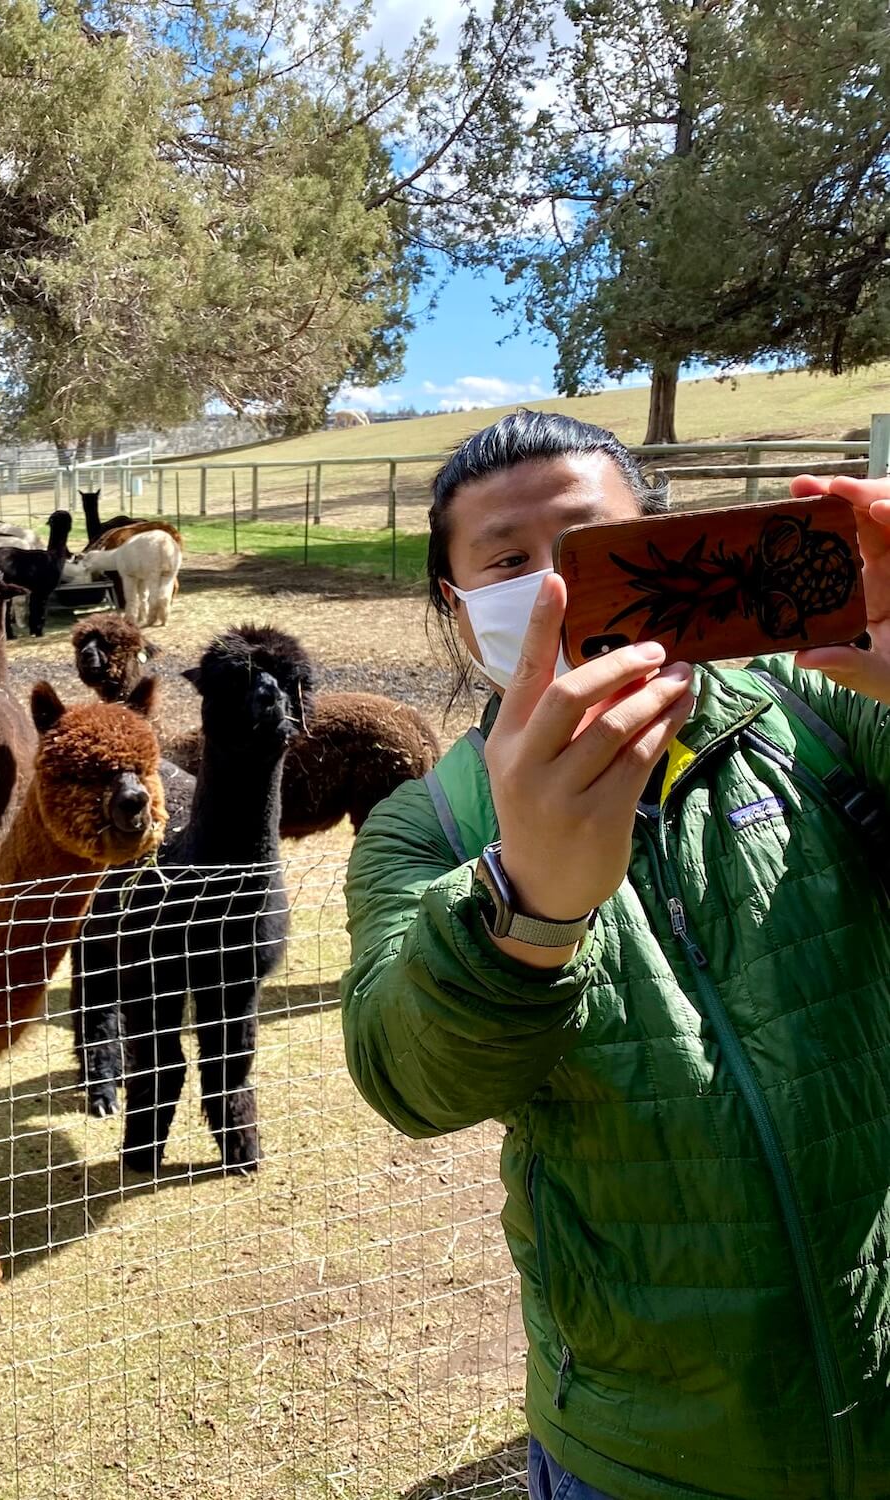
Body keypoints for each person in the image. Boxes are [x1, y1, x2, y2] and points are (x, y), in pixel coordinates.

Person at [340, 409, 890, 1500]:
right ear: (458, 611)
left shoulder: (825, 707)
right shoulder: (429, 827)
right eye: (507, 562)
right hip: (638, 1450)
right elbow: (406, 1076)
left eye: (589, 547)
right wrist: (528, 900)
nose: (555, 588)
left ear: (666, 540)